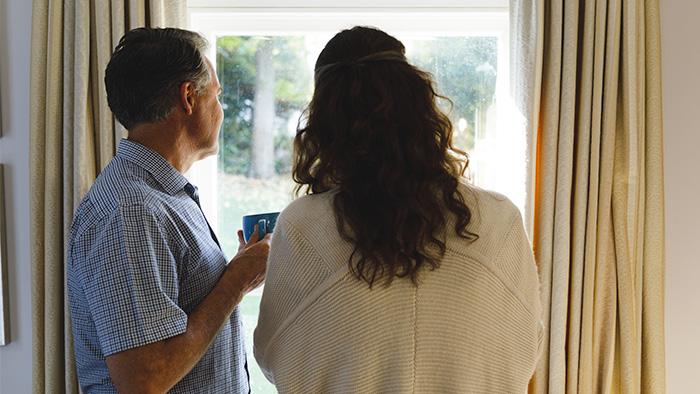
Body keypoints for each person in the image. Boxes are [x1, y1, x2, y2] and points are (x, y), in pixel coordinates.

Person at [254, 26, 543, 393]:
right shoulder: (499, 219)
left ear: (324, 126)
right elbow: (524, 347)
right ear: (419, 109)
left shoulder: (302, 226)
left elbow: (275, 354)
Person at [67, 27, 269, 393]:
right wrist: (236, 281)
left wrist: (239, 272)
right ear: (188, 97)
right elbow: (144, 381)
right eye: (218, 96)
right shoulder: (131, 212)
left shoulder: (160, 198)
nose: (221, 111)